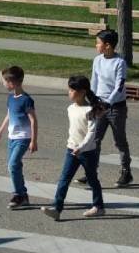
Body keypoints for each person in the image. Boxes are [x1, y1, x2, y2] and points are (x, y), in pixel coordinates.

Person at [41, 76, 106, 221]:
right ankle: (57, 209)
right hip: (71, 149)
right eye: (69, 89)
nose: (69, 92)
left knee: (92, 179)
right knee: (64, 179)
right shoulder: (70, 108)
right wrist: (73, 146)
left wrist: (81, 147)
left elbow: (91, 133)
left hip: (88, 152)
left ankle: (99, 207)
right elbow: (73, 130)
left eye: (72, 90)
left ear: (82, 92)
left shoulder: (90, 110)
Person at [77, 30, 133, 188]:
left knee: (119, 140)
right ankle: (91, 172)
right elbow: (94, 81)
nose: (96, 45)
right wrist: (92, 100)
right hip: (99, 106)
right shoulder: (97, 60)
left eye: (98, 42)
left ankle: (126, 171)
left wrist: (108, 103)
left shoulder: (119, 62)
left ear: (107, 45)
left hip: (116, 108)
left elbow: (119, 86)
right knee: (94, 139)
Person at [0, 66, 38, 209]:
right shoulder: (11, 98)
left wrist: (33, 141)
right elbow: (8, 116)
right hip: (12, 138)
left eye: (5, 81)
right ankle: (23, 195)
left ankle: (18, 194)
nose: (3, 84)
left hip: (23, 138)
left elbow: (33, 120)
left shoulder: (26, 100)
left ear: (13, 82)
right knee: (14, 166)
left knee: (12, 165)